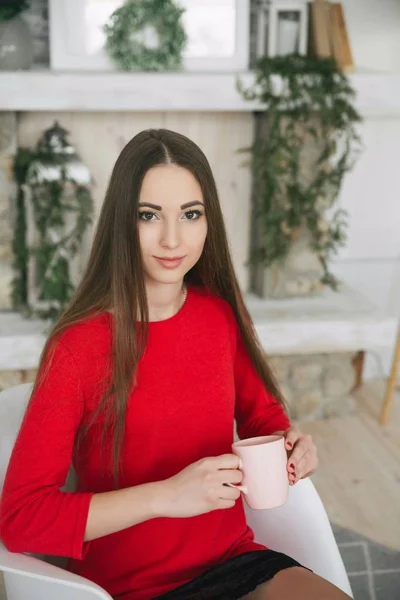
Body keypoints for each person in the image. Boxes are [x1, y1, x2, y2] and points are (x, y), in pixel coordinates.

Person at [0, 129, 351, 600]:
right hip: (132, 589)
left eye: (190, 214)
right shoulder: (78, 347)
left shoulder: (220, 315)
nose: (171, 238)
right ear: (122, 222)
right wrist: (167, 496)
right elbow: (21, 520)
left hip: (236, 561)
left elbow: (263, 419)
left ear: (209, 221)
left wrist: (290, 446)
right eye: (149, 215)